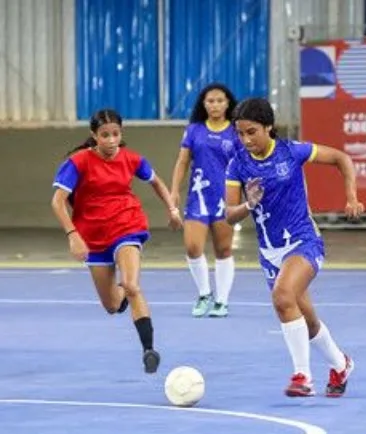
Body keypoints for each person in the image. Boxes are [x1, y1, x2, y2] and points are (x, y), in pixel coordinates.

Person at [225, 98, 363, 397]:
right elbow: (228, 214)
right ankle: (341, 364)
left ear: (268, 127)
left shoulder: (292, 151)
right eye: (240, 134)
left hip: (303, 241)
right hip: (270, 252)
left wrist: (351, 196)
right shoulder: (238, 164)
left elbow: (342, 158)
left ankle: (303, 376)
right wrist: (249, 204)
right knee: (307, 321)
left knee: (282, 296)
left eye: (252, 132)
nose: (246, 140)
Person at [51, 108, 182, 374]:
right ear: (94, 136)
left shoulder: (132, 159)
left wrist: (173, 210)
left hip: (127, 225)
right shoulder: (78, 162)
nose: (111, 141)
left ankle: (149, 350)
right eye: (104, 135)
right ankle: (123, 295)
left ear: (121, 134)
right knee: (112, 305)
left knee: (132, 285)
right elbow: (57, 201)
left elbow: (156, 182)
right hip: (92, 234)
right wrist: (72, 234)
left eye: (115, 134)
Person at [170, 83, 238, 318]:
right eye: (210, 101)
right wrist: (174, 191)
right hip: (198, 197)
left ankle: (222, 300)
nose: (215, 105)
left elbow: (246, 165)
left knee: (223, 249)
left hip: (226, 198)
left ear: (228, 103)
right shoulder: (194, 130)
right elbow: (182, 162)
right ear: (203, 104)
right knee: (192, 247)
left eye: (220, 100)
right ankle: (204, 293)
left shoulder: (237, 132)